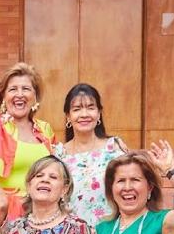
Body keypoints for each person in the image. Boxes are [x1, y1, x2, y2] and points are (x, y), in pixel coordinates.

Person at [0, 22, 56, 218]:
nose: (19, 94)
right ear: (3, 96)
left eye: (26, 89)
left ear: (35, 97)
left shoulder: (45, 130)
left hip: (38, 214)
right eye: (13, 89)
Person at [51, 83, 127, 226]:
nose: (84, 114)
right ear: (68, 116)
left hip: (108, 232)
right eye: (77, 109)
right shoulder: (59, 155)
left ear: (98, 113)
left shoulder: (113, 150)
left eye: (90, 108)